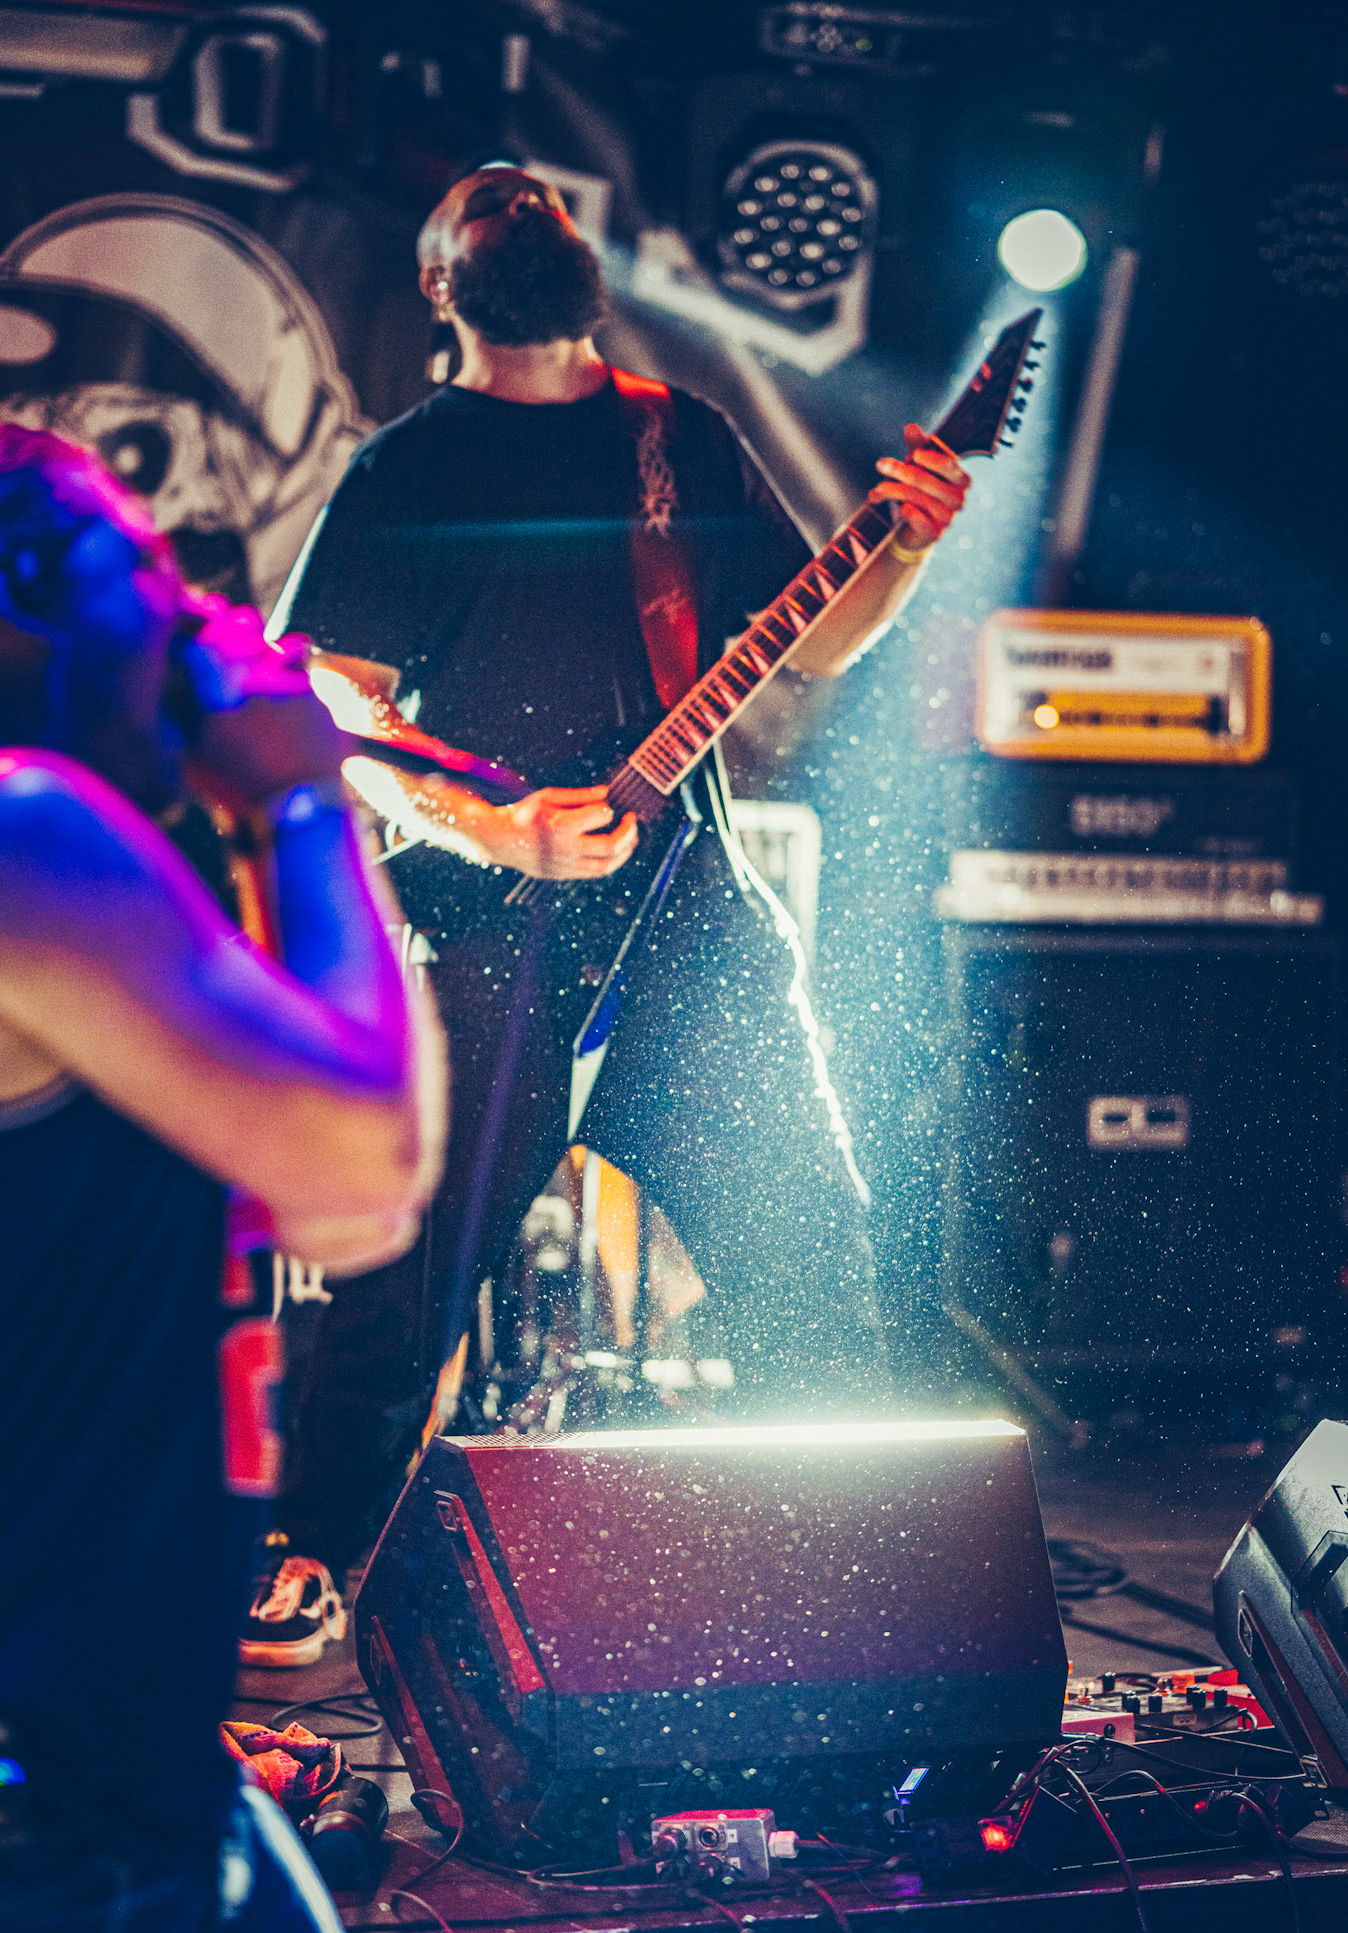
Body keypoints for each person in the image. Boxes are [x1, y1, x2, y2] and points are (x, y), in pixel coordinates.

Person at [264, 162, 969, 1600]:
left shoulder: (676, 441)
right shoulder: (405, 471)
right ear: (438, 279)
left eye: (543, 197)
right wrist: (485, 829)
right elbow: (326, 715)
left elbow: (819, 642)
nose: (524, 202)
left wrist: (901, 549)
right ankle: (309, 1566)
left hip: (691, 925)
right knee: (398, 1301)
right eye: (486, 199)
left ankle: (859, 1581)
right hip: (480, 935)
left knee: (809, 1254)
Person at [0, 424, 443, 1933]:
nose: (190, 621)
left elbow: (321, 1191)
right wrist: (304, 806)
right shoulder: (15, 837)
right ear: (27, 586)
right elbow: (364, 1161)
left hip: (108, 1753)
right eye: (153, 575)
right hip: (35, 1809)